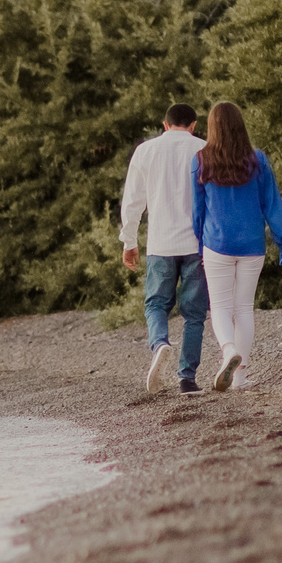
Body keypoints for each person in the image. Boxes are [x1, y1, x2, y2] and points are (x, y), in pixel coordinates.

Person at [189, 100, 282, 392]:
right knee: (244, 308)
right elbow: (272, 205)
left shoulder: (200, 160)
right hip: (252, 245)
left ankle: (228, 352)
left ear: (211, 128)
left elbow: (198, 211)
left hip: (217, 244)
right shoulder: (258, 160)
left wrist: (200, 246)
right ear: (241, 125)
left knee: (221, 308)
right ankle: (241, 377)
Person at [119, 102, 209, 394]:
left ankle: (160, 343)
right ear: (194, 125)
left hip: (160, 243)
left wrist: (129, 241)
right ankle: (187, 378)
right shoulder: (205, 148)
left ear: (165, 124)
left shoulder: (146, 150)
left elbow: (133, 201)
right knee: (194, 313)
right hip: (198, 244)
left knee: (156, 304)